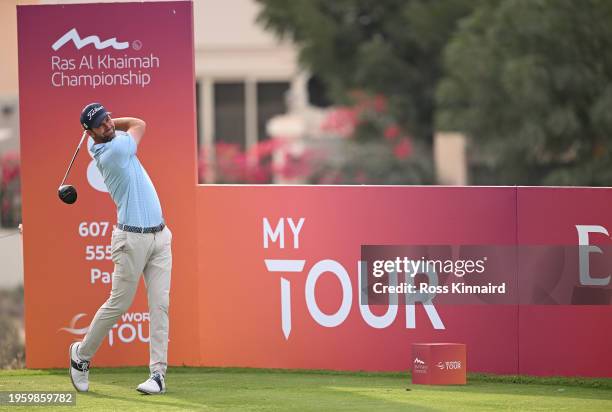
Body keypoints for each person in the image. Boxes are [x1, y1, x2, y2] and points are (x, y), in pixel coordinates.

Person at [69, 103, 172, 394]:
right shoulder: (113, 152)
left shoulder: (109, 139)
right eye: (100, 125)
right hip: (131, 240)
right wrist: (114, 124)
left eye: (108, 119)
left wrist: (105, 123)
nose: (109, 126)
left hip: (160, 237)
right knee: (119, 304)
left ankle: (158, 375)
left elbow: (127, 126)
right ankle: (81, 355)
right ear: (89, 133)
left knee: (160, 305)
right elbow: (139, 123)